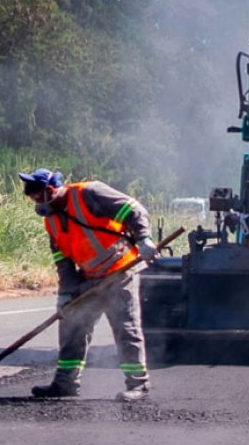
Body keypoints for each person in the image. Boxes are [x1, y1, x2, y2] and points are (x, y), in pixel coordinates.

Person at [19, 168, 159, 402]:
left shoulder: (90, 193)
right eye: (32, 198)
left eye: (37, 196)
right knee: (72, 324)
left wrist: (144, 238)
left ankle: (138, 385)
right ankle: (66, 384)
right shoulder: (51, 221)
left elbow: (134, 210)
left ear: (51, 190)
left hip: (119, 270)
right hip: (90, 277)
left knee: (125, 327)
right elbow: (63, 262)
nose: (36, 202)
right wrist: (65, 294)